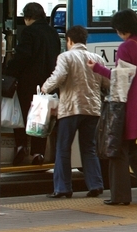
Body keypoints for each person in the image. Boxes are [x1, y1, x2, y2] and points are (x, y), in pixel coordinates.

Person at [88, 9, 137, 205]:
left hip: (126, 104)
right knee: (130, 145)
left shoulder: (126, 47)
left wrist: (97, 68)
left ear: (121, 28)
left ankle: (120, 196)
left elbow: (120, 79)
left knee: (117, 149)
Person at [40, 25, 105, 198]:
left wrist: (45, 88)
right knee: (89, 148)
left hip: (71, 109)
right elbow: (106, 83)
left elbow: (59, 76)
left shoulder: (65, 57)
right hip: (92, 109)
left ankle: (63, 188)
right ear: (85, 41)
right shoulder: (97, 58)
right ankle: (95, 185)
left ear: (69, 40)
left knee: (63, 148)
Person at [4, 1, 61, 166]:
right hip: (49, 83)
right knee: (41, 117)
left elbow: (23, 57)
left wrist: (9, 71)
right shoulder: (53, 33)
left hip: (28, 83)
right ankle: (38, 153)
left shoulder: (29, 32)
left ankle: (21, 146)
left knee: (21, 114)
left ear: (28, 17)